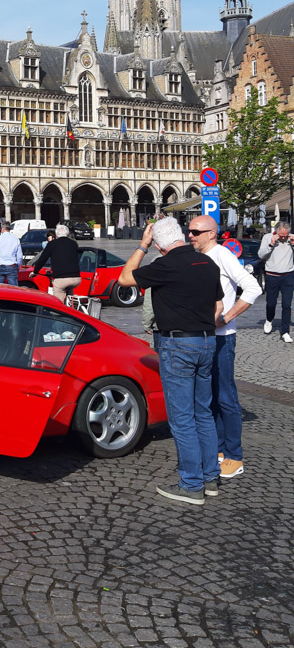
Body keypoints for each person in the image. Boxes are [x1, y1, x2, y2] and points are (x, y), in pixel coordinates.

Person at [119, 216, 223, 506]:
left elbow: (125, 278)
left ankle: (191, 485)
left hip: (178, 344)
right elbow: (218, 304)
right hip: (206, 341)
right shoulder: (208, 263)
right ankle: (210, 477)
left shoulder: (166, 265)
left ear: (160, 245)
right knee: (203, 411)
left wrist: (142, 245)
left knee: (182, 418)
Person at [189, 215, 262, 480]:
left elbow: (252, 288)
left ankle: (234, 456)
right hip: (202, 335)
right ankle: (218, 450)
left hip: (223, 337)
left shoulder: (223, 255)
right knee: (210, 395)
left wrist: (227, 317)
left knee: (226, 396)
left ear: (212, 233)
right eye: (189, 231)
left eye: (196, 231)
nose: (191, 235)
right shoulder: (195, 256)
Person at [257, 221, 294, 343]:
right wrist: (271, 245)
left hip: (288, 275)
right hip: (272, 275)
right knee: (271, 303)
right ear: (277, 232)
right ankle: (269, 319)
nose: (283, 238)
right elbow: (261, 255)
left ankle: (285, 332)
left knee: (287, 305)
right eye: (281, 236)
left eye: (285, 235)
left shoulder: (291, 238)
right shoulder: (267, 237)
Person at [30, 224, 81, 303]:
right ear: (67, 234)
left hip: (61, 279)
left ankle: (58, 312)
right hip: (76, 278)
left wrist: (35, 271)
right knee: (69, 292)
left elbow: (42, 259)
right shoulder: (73, 243)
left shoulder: (52, 244)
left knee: (57, 303)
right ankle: (71, 307)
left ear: (56, 234)